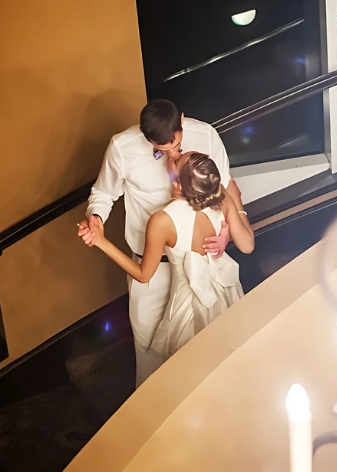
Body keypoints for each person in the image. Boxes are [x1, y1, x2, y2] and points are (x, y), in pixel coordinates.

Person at [78, 100, 246, 386]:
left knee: (214, 357)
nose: (171, 157)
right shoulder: (122, 147)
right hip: (150, 271)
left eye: (176, 147)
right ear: (144, 136)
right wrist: (95, 218)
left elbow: (227, 186)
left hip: (205, 269)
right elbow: (103, 194)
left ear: (182, 120)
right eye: (161, 150)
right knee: (150, 361)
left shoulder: (206, 135)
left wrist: (230, 227)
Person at [80, 152, 254, 359]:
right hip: (227, 292)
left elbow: (143, 274)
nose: (174, 156)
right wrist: (235, 205)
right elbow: (247, 246)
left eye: (177, 160)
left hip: (188, 308)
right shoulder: (220, 196)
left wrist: (101, 241)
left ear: (178, 183)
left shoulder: (163, 220)